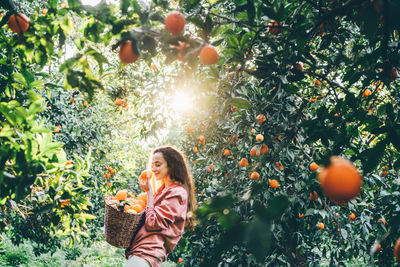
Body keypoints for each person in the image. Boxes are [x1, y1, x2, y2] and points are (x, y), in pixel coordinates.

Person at [124, 145, 197, 267]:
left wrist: (150, 192)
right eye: (152, 165)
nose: (153, 169)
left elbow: (152, 222)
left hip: (148, 253)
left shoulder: (177, 193)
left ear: (171, 166)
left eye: (158, 164)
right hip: (142, 252)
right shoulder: (165, 191)